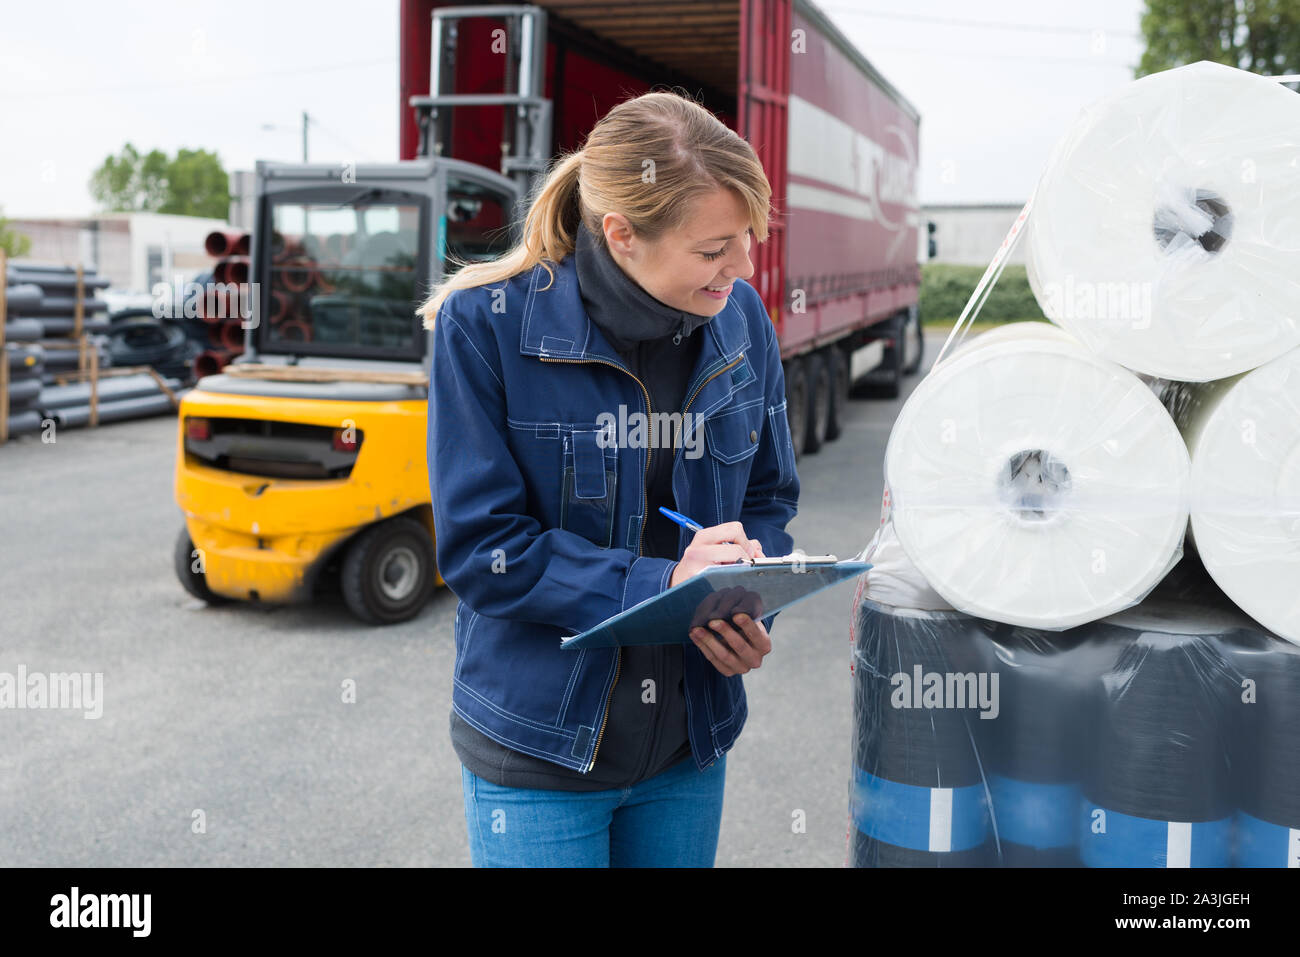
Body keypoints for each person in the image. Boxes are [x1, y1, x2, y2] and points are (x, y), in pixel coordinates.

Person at [422, 89, 800, 867]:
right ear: (622, 234)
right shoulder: (483, 325)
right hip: (541, 754)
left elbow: (767, 496)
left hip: (686, 748)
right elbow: (482, 549)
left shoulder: (743, 320)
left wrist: (744, 601)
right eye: (712, 249)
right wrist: (662, 586)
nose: (743, 266)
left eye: (749, 238)